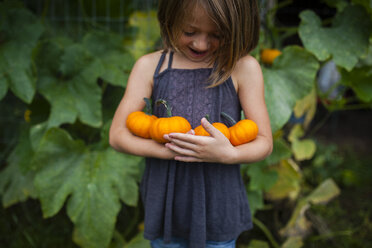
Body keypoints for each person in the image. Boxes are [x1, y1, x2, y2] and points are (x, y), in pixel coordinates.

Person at [109, 0, 273, 247]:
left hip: (218, 205)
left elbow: (264, 142)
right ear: (170, 19)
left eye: (216, 35)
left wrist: (227, 154)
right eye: (190, 32)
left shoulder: (242, 68)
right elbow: (117, 134)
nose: (201, 44)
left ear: (236, 29)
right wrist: (165, 150)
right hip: (167, 206)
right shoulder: (150, 67)